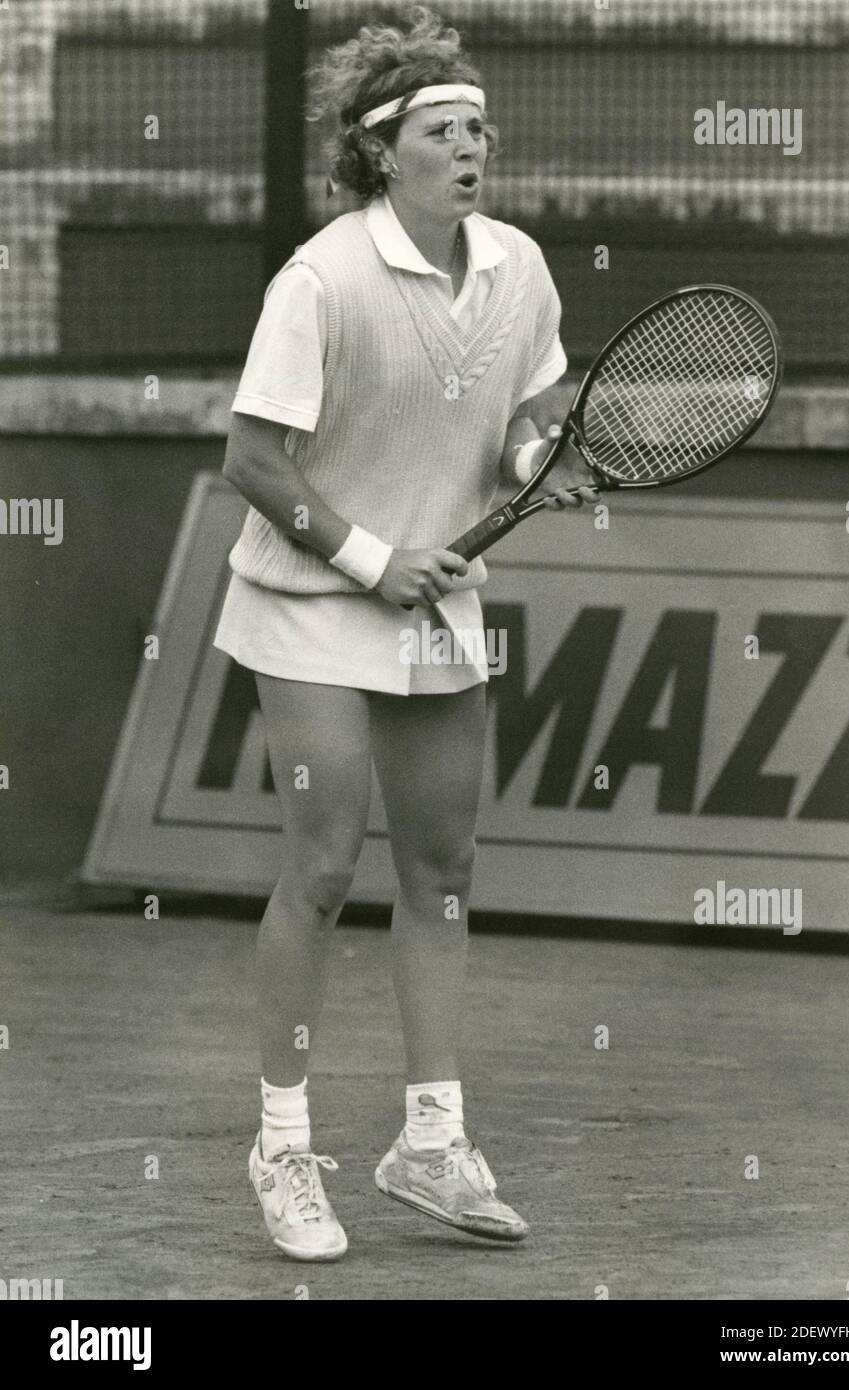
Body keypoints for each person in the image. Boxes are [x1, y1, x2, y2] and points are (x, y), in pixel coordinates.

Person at [215, 4, 597, 1260]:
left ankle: (430, 1142)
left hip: (436, 601)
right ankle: (282, 1145)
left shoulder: (519, 268)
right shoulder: (318, 279)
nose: (472, 145)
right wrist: (373, 560)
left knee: (440, 873)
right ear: (384, 153)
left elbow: (530, 414)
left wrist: (548, 456)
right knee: (323, 868)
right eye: (444, 128)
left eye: (480, 125)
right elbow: (253, 460)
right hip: (311, 598)